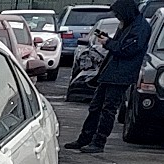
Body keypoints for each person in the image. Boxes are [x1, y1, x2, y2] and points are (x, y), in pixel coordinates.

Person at [64, 0, 150, 154]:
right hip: (110, 71)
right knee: (96, 107)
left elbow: (127, 50)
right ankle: (85, 138)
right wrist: (109, 41)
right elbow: (121, 46)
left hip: (120, 75)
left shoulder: (140, 27)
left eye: (118, 15)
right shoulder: (128, 24)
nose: (117, 18)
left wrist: (108, 42)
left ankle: (98, 142)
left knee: (108, 109)